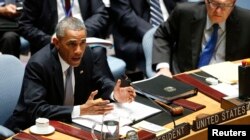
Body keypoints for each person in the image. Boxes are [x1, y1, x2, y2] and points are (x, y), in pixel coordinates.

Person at [4, 17, 136, 132]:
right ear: (57, 43)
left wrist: (115, 94)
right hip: (30, 128)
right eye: (72, 44)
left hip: (68, 124)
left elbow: (101, 81)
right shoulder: (39, 65)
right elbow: (36, 110)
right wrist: (80, 110)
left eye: (82, 43)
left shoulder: (87, 55)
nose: (78, 51)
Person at [152, 0, 250, 77]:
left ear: (234, 3)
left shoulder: (246, 21)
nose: (219, 11)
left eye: (225, 5)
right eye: (214, 4)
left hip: (228, 83)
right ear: (206, 1)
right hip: (186, 77)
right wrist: (163, 68)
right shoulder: (184, 12)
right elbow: (162, 35)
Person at [110, 0, 187, 77]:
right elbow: (126, 18)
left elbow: (184, 7)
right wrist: (161, 36)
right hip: (136, 41)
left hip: (172, 35)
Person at [19, 0, 110, 54]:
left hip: (84, 39)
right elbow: (25, 25)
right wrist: (49, 40)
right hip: (53, 44)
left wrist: (81, 31)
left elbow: (101, 14)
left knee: (97, 53)